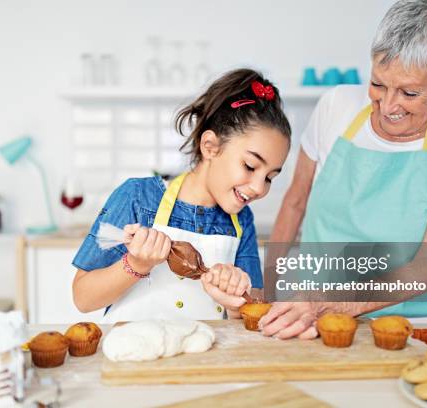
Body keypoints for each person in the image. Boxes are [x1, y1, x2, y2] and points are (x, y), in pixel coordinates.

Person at [260, 0, 427, 339]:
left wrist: (328, 302)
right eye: (378, 84)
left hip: (422, 329)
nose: (388, 106)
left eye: (409, 92)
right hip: (315, 323)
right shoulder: (336, 106)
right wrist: (269, 287)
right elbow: (295, 202)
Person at [71, 69, 291, 323]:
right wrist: (136, 264)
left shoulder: (242, 220)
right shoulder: (137, 198)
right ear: (210, 146)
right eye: (250, 166)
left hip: (204, 360)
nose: (259, 188)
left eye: (269, 178)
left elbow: (253, 309)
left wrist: (234, 299)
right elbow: (83, 299)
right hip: (134, 358)